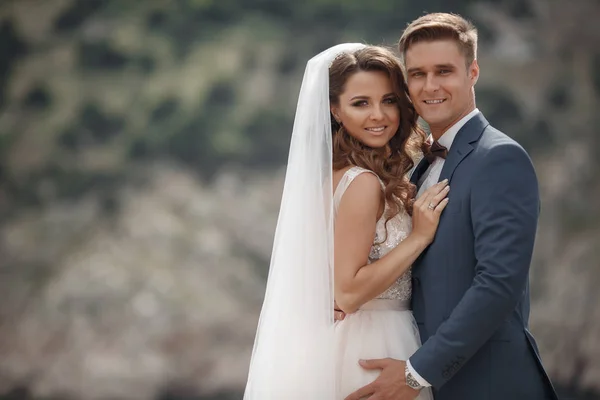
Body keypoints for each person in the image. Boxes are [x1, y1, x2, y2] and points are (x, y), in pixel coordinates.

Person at [343, 13, 559, 400]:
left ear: (473, 72)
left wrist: (415, 374)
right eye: (418, 74)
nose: (430, 86)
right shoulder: (419, 167)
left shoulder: (500, 157)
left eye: (444, 71)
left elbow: (497, 285)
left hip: (491, 384)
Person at [243, 43, 447, 400]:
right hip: (372, 346)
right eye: (360, 103)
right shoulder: (362, 183)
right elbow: (348, 293)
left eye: (388, 100)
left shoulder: (336, 176)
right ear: (335, 109)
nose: (378, 115)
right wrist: (419, 237)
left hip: (347, 342)